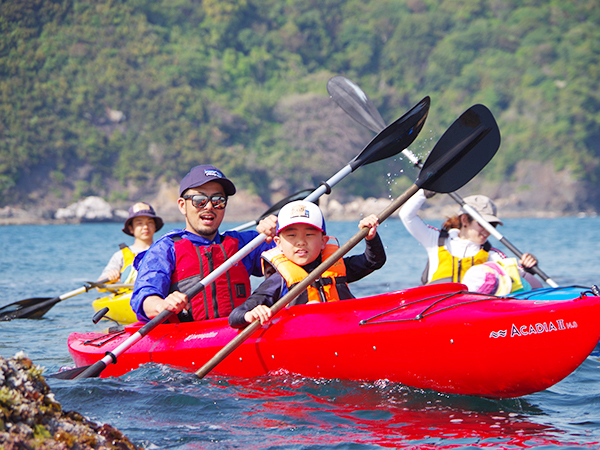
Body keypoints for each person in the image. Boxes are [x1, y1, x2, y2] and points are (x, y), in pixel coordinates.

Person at [130, 164, 278, 323]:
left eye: (218, 200)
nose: (209, 206)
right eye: (199, 200)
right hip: (187, 339)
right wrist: (161, 305)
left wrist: (278, 231)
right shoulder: (165, 249)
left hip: (237, 331)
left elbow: (296, 252)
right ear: (182, 205)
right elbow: (145, 296)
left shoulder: (245, 244)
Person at [229, 200, 386, 329]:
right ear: (278, 243)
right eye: (291, 235)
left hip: (343, 330)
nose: (301, 242)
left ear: (324, 241)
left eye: (309, 234)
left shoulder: (335, 266)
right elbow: (235, 316)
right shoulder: (278, 281)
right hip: (303, 338)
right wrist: (250, 315)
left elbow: (374, 261)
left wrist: (371, 238)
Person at [399, 190, 542, 293]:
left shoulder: (494, 256)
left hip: (470, 316)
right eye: (483, 224)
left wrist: (527, 269)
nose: (488, 231)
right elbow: (406, 216)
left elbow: (516, 283)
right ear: (465, 220)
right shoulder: (435, 240)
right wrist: (424, 191)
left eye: (492, 226)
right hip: (434, 311)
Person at [98, 202, 164, 284]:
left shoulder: (163, 252)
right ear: (131, 228)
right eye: (139, 223)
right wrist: (111, 276)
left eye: (149, 222)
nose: (145, 227)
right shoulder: (120, 256)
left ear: (155, 226)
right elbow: (99, 286)